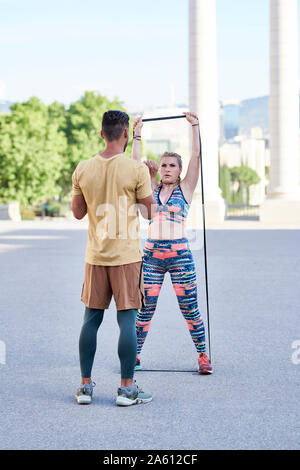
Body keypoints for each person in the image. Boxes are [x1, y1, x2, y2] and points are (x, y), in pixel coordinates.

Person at [71, 110, 157, 406]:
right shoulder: (137, 170)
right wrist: (152, 181)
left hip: (96, 256)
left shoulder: (83, 168)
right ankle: (126, 389)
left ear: (101, 133)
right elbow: (149, 214)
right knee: (128, 322)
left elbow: (78, 213)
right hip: (126, 257)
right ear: (124, 135)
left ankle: (84, 387)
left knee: (91, 320)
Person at [132, 112, 213, 375]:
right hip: (152, 258)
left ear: (179, 171)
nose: (166, 169)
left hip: (180, 258)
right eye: (164, 165)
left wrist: (195, 127)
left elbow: (196, 158)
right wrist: (137, 134)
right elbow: (135, 164)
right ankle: (134, 355)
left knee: (190, 309)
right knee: (145, 310)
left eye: (172, 166)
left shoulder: (186, 189)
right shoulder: (151, 189)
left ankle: (202, 356)